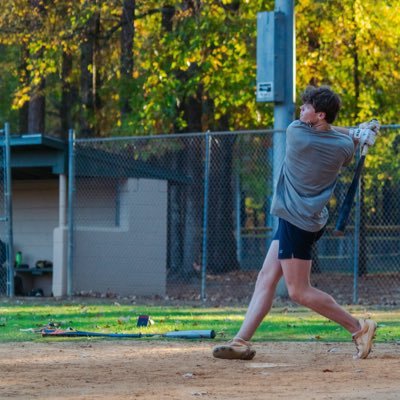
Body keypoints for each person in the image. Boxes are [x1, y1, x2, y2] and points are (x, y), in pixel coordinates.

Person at [212, 86, 379, 361]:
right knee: (266, 277)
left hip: (295, 220)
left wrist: (356, 131)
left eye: (306, 107)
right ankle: (241, 341)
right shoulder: (344, 149)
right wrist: (359, 134)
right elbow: (334, 133)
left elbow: (327, 130)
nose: (301, 110)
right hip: (308, 218)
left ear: (320, 114)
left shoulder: (296, 133)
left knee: (299, 291)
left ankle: (358, 327)